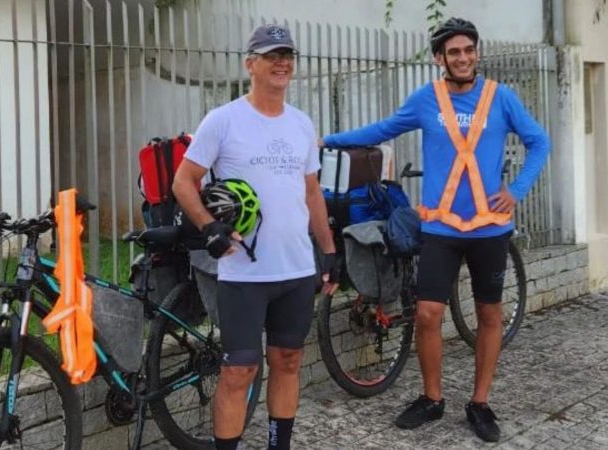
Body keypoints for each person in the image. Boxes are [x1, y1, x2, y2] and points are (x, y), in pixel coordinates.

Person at [321, 17, 550, 443]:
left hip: (489, 229)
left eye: (468, 50)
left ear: (476, 53)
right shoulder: (426, 99)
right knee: (427, 314)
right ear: (438, 58)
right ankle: (432, 398)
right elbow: (382, 129)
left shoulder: (502, 98)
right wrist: (328, 140)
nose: (462, 58)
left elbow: (540, 141)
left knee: (488, 313)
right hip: (441, 226)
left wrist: (516, 189)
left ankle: (479, 403)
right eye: (453, 52)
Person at [173, 24, 338, 450]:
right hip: (244, 274)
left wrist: (329, 249)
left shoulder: (302, 123)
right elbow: (183, 181)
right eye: (271, 56)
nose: (282, 62)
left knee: (288, 361)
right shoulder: (224, 120)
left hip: (297, 269)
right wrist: (209, 228)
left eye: (287, 56)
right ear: (251, 64)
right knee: (238, 371)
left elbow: (312, 191)